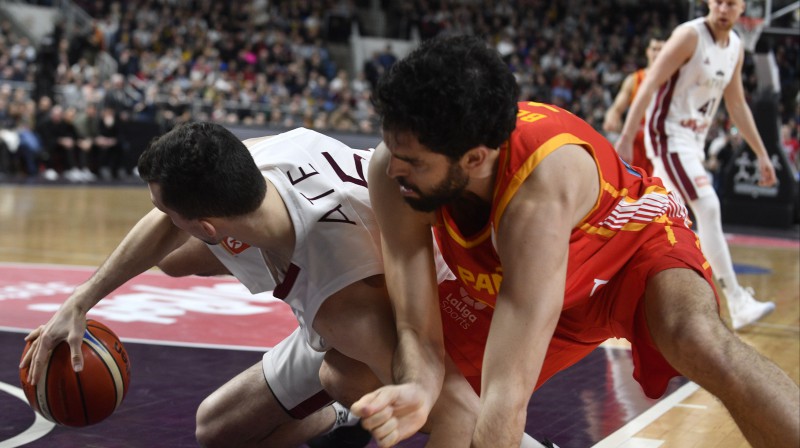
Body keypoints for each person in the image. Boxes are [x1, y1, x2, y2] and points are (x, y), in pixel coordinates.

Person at [350, 35, 799, 448]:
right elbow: (415, 330)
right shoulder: (393, 173)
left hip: (626, 251)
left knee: (697, 338)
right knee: (350, 373)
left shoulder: (538, 186)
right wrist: (418, 386)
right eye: (393, 150)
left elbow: (509, 393)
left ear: (474, 158)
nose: (392, 171)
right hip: (532, 280)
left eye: (412, 162)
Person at [19, 122, 548, 448]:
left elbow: (456, 415)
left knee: (344, 374)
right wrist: (80, 301)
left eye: (167, 212)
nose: (158, 219)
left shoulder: (343, 307)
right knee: (216, 429)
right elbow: (166, 230)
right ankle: (340, 424)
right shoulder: (263, 157)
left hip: (429, 312)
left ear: (209, 229)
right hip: (327, 264)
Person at [615, 0, 776, 330]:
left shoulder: (735, 48)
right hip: (668, 136)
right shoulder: (689, 35)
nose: (722, 9)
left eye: (730, 3)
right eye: (717, 1)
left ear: (742, 7)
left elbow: (737, 104)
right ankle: (736, 299)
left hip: (693, 142)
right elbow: (649, 84)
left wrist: (762, 153)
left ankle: (616, 286)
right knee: (709, 206)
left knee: (659, 218)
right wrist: (628, 135)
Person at [603, 36, 665, 176]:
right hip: (636, 142)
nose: (657, 53)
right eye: (654, 49)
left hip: (661, 144)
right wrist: (611, 117)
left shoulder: (675, 81)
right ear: (648, 52)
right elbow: (616, 109)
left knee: (661, 192)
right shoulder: (634, 79)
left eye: (661, 50)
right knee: (630, 188)